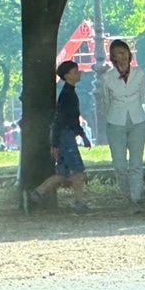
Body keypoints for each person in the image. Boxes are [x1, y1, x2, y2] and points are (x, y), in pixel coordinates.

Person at [27, 61, 90, 212]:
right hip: (66, 136)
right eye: (75, 72)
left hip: (62, 136)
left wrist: (55, 141)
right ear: (67, 76)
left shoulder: (67, 94)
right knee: (78, 171)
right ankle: (79, 202)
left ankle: (37, 193)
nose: (79, 73)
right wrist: (82, 135)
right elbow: (65, 120)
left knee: (62, 174)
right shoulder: (69, 96)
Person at [98, 39, 145, 207]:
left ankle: (136, 197)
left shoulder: (139, 73)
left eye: (125, 52)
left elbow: (142, 95)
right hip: (116, 121)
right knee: (119, 163)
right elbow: (106, 101)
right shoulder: (107, 78)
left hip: (137, 120)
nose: (123, 56)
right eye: (119, 53)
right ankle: (126, 194)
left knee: (136, 162)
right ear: (113, 57)